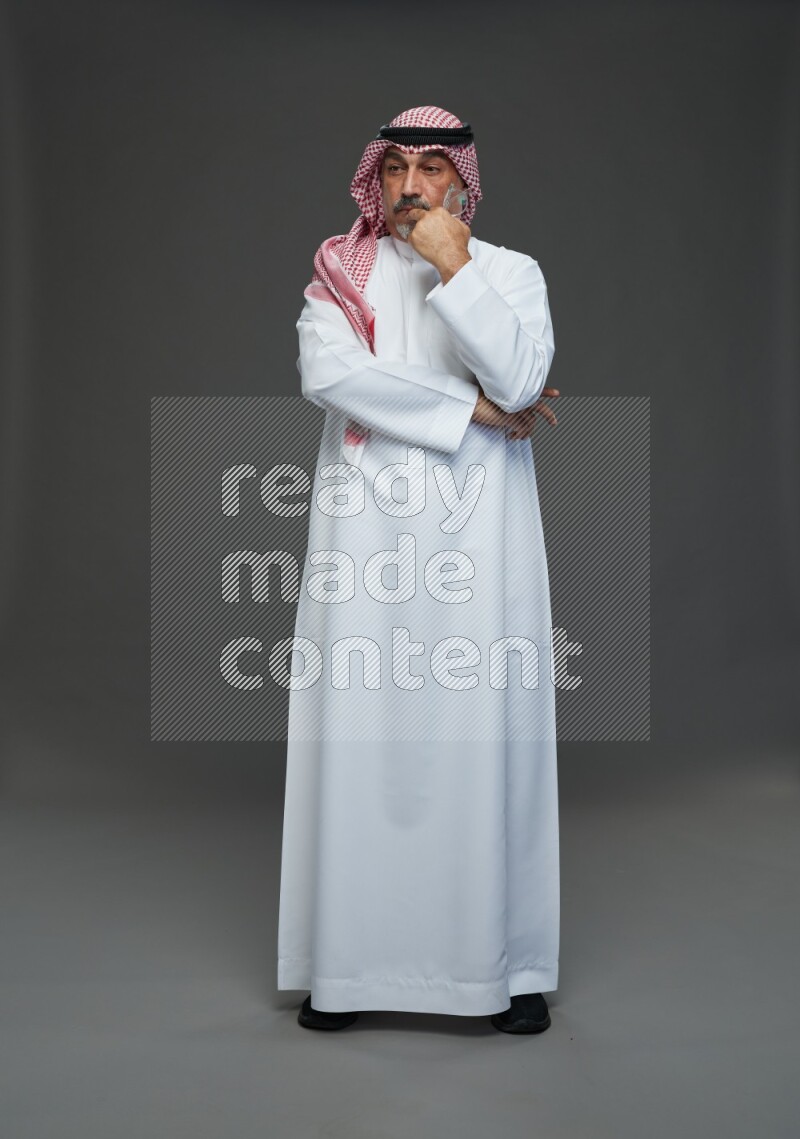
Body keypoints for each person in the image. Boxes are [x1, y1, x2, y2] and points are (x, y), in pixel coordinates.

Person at [276, 106, 561, 1034]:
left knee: (488, 729)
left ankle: (506, 968)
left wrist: (454, 267)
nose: (409, 185)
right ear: (376, 178)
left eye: (431, 167)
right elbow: (331, 377)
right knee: (358, 727)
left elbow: (520, 382)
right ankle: (346, 969)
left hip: (481, 539)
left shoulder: (508, 274)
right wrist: (468, 409)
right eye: (395, 166)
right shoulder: (340, 274)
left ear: (462, 182)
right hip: (365, 536)